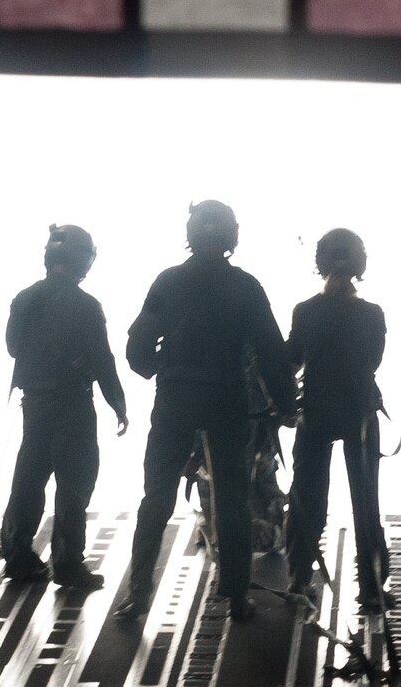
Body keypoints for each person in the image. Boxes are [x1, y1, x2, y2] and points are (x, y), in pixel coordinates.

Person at [122, 200, 295, 620]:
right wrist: (287, 405)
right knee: (232, 501)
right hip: (227, 404)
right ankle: (235, 595)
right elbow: (272, 353)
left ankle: (140, 593)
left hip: (176, 402)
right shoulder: (246, 287)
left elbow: (137, 351)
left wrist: (162, 369)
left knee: (156, 498)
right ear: (232, 236)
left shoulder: (169, 282)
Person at [1, 224, 128, 590]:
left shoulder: (25, 298)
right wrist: (118, 404)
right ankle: (68, 564)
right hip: (73, 406)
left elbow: (13, 347)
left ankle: (19, 556)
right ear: (83, 260)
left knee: (29, 479)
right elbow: (103, 360)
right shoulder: (86, 306)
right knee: (74, 484)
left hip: (35, 404)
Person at [283, 229, 390, 610]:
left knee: (308, 496)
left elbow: (292, 359)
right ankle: (373, 587)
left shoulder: (305, 311)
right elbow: (373, 361)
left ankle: (299, 578)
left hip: (314, 412)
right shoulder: (371, 314)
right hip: (359, 412)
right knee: (365, 501)